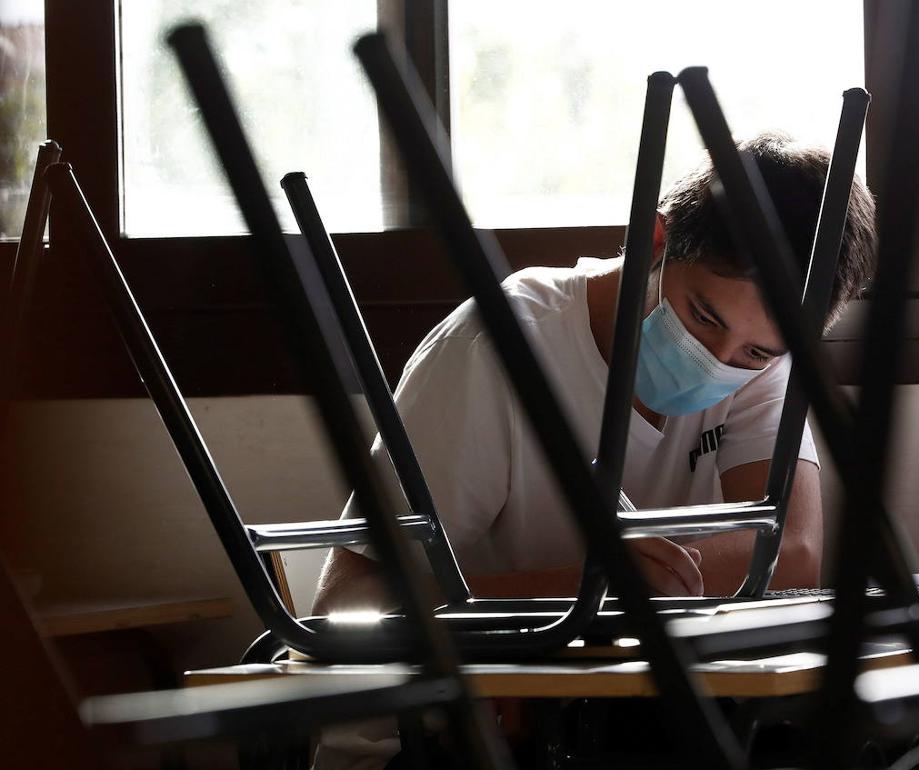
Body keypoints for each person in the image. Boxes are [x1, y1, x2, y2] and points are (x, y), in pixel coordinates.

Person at [311, 130, 877, 615]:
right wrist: (589, 588)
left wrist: (652, 579)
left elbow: (793, 553)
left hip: (620, 717)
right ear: (657, 240)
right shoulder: (498, 346)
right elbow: (345, 602)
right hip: (447, 724)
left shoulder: (760, 358)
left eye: (756, 353)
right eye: (702, 316)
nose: (719, 359)